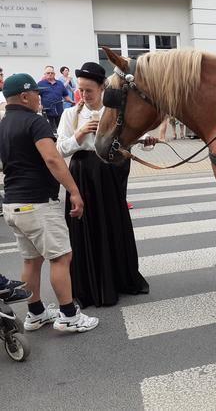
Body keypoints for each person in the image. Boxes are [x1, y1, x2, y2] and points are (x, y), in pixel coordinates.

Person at [0, 73, 98, 332]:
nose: (39, 99)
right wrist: (74, 191)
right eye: (36, 94)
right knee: (61, 257)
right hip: (38, 203)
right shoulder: (36, 122)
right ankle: (68, 315)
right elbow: (53, 159)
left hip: (12, 203)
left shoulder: (3, 124)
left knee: (31, 260)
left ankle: (36, 312)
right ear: (24, 96)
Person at [56, 62, 151, 308]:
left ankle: (119, 279)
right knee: (86, 227)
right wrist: (78, 136)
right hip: (82, 174)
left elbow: (127, 138)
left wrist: (146, 140)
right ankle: (89, 285)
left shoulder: (113, 111)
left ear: (102, 88)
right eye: (81, 90)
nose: (84, 96)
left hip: (107, 174)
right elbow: (59, 150)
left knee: (112, 224)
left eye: (89, 90)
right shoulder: (71, 114)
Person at [38, 65, 73, 132]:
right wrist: (38, 104)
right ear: (45, 74)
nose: (50, 74)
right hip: (47, 112)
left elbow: (65, 95)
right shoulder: (40, 84)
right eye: (48, 73)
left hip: (59, 111)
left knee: (61, 130)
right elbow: (35, 95)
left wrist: (72, 102)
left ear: (54, 74)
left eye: (52, 73)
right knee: (51, 131)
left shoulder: (60, 83)